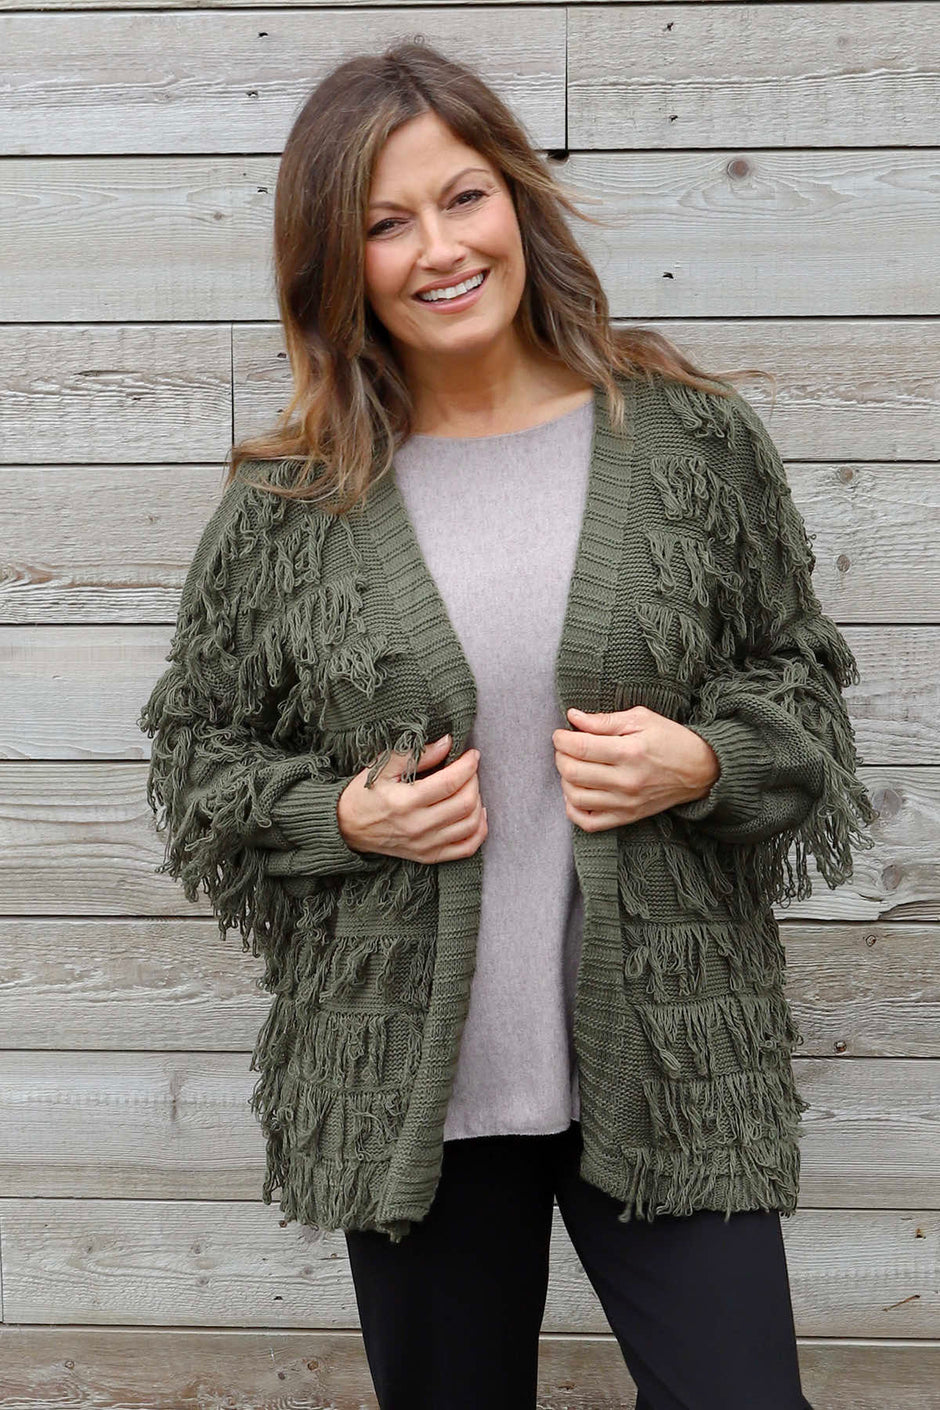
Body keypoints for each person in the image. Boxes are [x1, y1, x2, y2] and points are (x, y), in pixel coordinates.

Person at [138, 40, 876, 1410]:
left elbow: (800, 687)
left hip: (669, 1055)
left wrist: (704, 761)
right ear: (337, 262)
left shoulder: (688, 442)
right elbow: (199, 756)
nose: (440, 248)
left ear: (517, 199)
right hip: (415, 1081)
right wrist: (342, 813)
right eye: (385, 223)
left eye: (463, 196)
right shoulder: (294, 500)